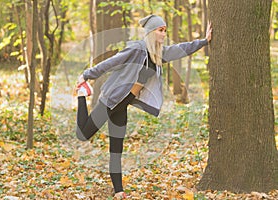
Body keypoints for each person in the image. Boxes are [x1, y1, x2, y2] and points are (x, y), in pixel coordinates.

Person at [75, 15, 212, 198]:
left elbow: (180, 49)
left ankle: (119, 191)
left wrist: (204, 41)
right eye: (160, 30)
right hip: (110, 101)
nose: (163, 34)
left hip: (122, 106)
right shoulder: (137, 49)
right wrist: (87, 75)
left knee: (116, 150)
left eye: (165, 30)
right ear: (150, 32)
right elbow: (112, 63)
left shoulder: (157, 54)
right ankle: (82, 95)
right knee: (82, 135)